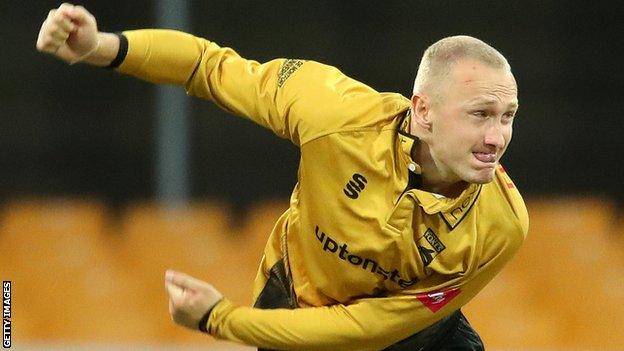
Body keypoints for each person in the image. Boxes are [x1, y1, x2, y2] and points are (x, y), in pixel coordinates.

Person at [37, 3, 528, 350]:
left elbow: (370, 330)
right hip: (297, 305)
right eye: (480, 114)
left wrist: (221, 319)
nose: (497, 137)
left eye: (507, 116)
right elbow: (209, 67)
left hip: (412, 340)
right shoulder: (333, 112)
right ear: (423, 111)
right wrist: (99, 46)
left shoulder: (503, 224)